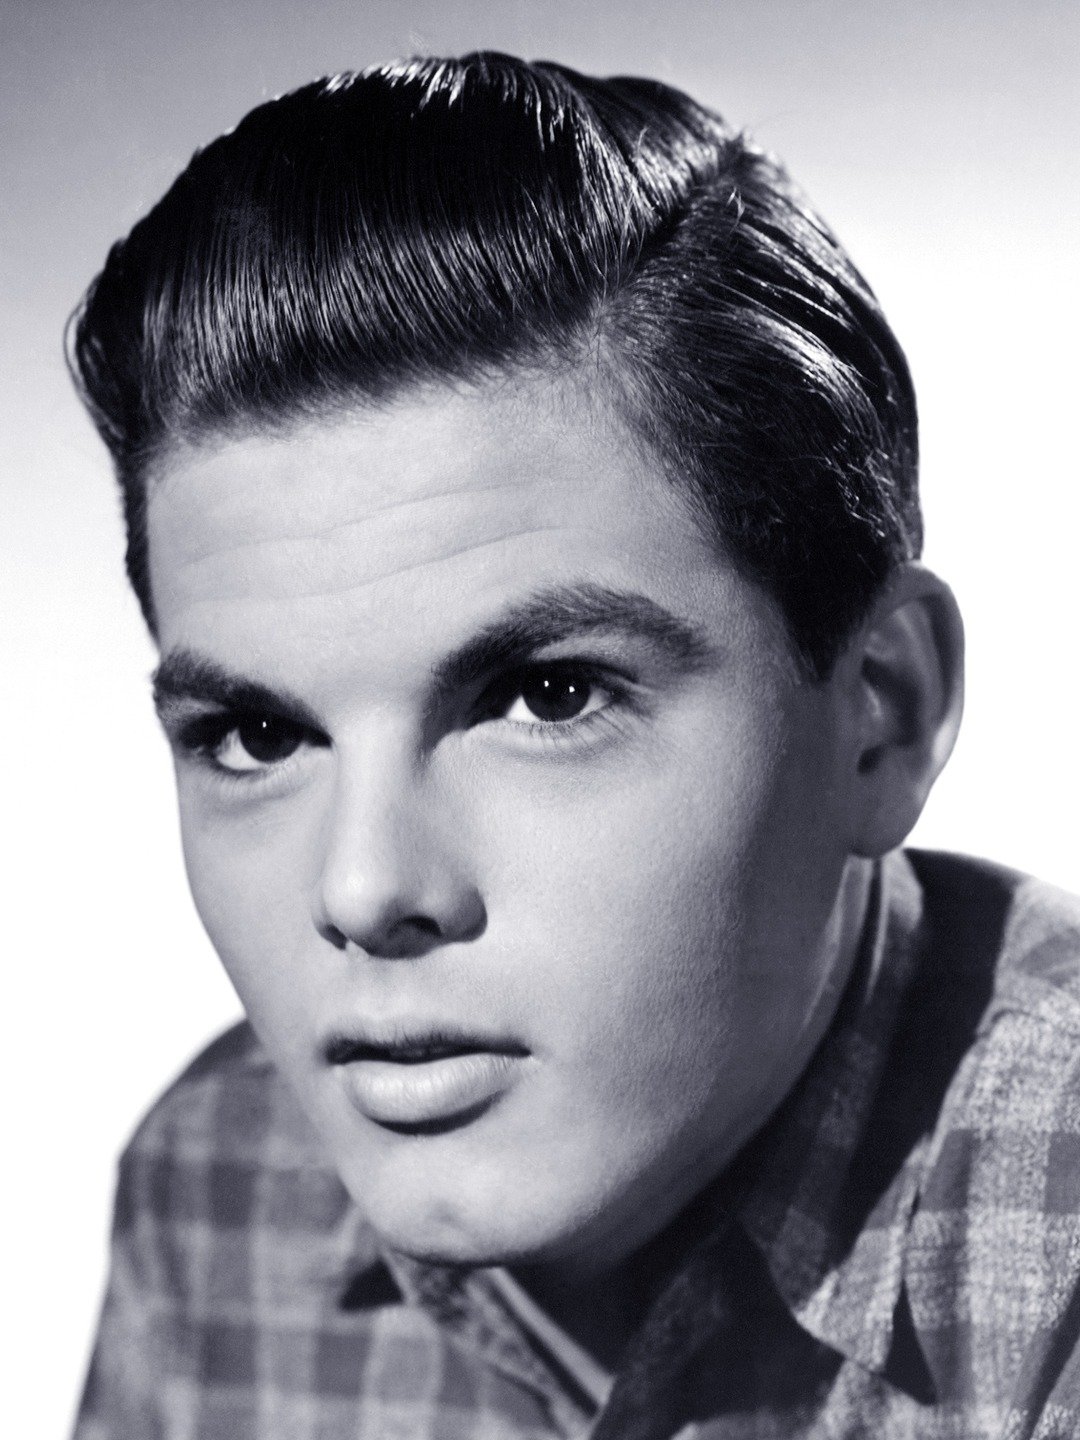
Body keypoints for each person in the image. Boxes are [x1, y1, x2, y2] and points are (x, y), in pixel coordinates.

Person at [68, 52, 1080, 1440]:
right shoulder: (215, 1188)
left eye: (547, 698)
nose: (364, 890)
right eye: (257, 733)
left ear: (881, 714)